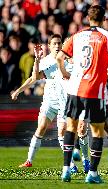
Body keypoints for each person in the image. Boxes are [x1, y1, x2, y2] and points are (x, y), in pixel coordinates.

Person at [56, 5, 108, 183]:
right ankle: (93, 174)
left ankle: (66, 170)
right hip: (94, 91)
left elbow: (59, 57)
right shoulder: (107, 36)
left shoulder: (77, 36)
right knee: (96, 132)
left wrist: (64, 72)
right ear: (104, 19)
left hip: (74, 89)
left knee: (71, 128)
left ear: (87, 19)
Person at [11, 34, 78, 169]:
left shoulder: (68, 61)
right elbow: (34, 77)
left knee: (61, 132)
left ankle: (71, 164)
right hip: (49, 101)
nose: (57, 46)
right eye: (54, 43)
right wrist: (18, 90)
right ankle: (29, 161)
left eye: (59, 43)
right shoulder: (45, 61)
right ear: (49, 46)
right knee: (41, 127)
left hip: (64, 102)